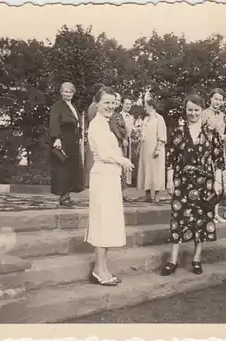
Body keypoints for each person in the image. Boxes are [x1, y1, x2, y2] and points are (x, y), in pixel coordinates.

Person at [161, 94, 225, 276]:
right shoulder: (179, 131)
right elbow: (171, 159)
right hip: (182, 182)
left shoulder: (211, 132)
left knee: (202, 219)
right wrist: (169, 180)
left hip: (204, 184)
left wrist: (218, 182)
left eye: (196, 110)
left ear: (202, 111)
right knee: (178, 218)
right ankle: (172, 260)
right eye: (190, 110)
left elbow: (219, 159)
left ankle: (196, 259)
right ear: (185, 110)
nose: (193, 113)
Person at [84, 86, 134, 286]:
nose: (110, 106)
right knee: (101, 222)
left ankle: (102, 267)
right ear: (97, 104)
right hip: (103, 175)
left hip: (111, 176)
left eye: (113, 103)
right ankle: (98, 269)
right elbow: (105, 153)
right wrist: (123, 161)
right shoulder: (96, 124)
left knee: (108, 223)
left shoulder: (107, 124)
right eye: (106, 102)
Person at [49, 82, 85, 206]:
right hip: (63, 141)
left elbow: (77, 124)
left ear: (73, 93)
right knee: (63, 169)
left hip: (73, 141)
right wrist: (56, 138)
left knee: (71, 169)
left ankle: (67, 196)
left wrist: (80, 137)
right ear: (61, 92)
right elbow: (54, 123)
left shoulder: (73, 107)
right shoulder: (57, 106)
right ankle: (63, 197)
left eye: (70, 92)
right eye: (65, 91)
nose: (68, 94)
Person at [202, 88, 226, 223]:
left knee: (219, 181)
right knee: (209, 180)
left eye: (220, 99)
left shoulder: (223, 116)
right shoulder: (203, 114)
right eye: (216, 98)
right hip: (207, 152)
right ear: (210, 99)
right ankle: (208, 213)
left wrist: (225, 137)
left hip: (220, 152)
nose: (218, 101)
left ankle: (216, 213)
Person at [136, 98, 167, 203]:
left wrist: (158, 148)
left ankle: (157, 195)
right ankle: (147, 194)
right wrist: (139, 147)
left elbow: (162, 134)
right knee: (146, 170)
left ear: (151, 106)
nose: (145, 108)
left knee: (156, 171)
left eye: (146, 105)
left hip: (155, 149)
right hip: (145, 149)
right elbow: (142, 134)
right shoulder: (146, 119)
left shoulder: (159, 119)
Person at [109, 92, 131, 201]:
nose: (116, 103)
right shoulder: (110, 114)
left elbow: (124, 129)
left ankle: (122, 193)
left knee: (121, 169)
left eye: (118, 101)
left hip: (121, 144)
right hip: (114, 144)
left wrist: (125, 137)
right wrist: (122, 138)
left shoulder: (118, 115)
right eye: (115, 101)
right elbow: (113, 129)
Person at [84, 83, 105, 188]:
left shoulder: (96, 105)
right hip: (96, 136)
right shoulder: (94, 106)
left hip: (97, 135)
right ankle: (90, 182)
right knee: (93, 159)